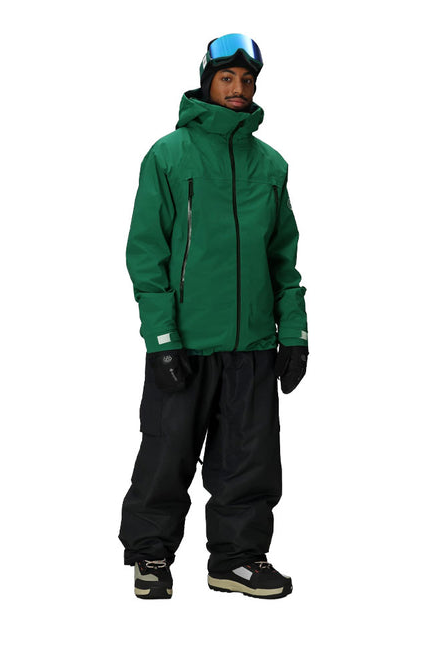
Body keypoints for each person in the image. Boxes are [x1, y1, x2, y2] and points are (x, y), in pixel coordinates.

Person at [119, 33, 309, 600]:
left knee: (250, 461)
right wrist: (161, 338)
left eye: (247, 80)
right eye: (227, 78)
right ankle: (151, 554)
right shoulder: (169, 155)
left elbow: (284, 260)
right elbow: (146, 254)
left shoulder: (270, 165)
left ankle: (237, 559)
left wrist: (294, 332)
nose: (238, 88)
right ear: (207, 82)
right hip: (186, 341)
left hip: (253, 344)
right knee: (166, 453)